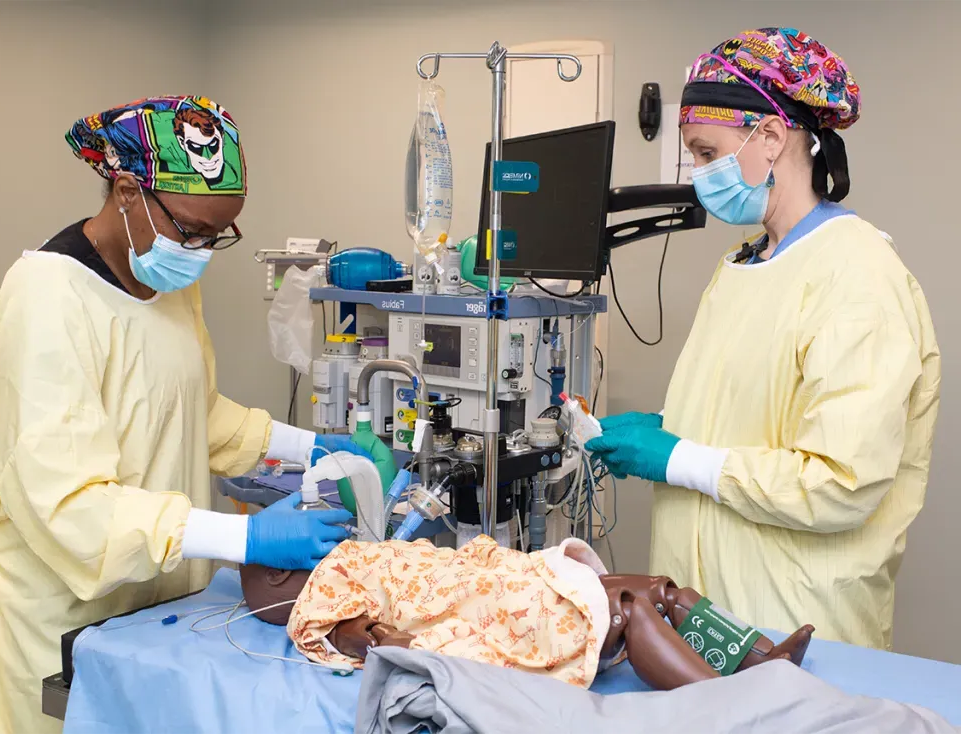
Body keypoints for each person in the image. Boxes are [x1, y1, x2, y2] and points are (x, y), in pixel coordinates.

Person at [0, 95, 371, 734]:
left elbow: (193, 413)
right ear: (124, 191)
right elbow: (70, 505)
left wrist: (317, 448)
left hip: (152, 607)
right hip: (56, 620)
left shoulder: (170, 284)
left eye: (216, 236)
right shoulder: (46, 296)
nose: (200, 251)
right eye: (191, 231)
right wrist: (247, 538)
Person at [587, 29, 940, 651]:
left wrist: (675, 457)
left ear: (771, 138)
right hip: (708, 612)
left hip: (792, 621)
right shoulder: (744, 264)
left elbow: (840, 480)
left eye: (705, 153)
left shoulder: (856, 275)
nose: (698, 175)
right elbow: (761, 417)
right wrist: (672, 427)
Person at [238, 533, 813, 690]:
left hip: (492, 578)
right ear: (275, 576)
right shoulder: (321, 595)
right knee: (630, 610)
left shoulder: (349, 556)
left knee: (661, 589)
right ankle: (729, 698)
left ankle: (760, 658)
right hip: (493, 607)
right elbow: (373, 638)